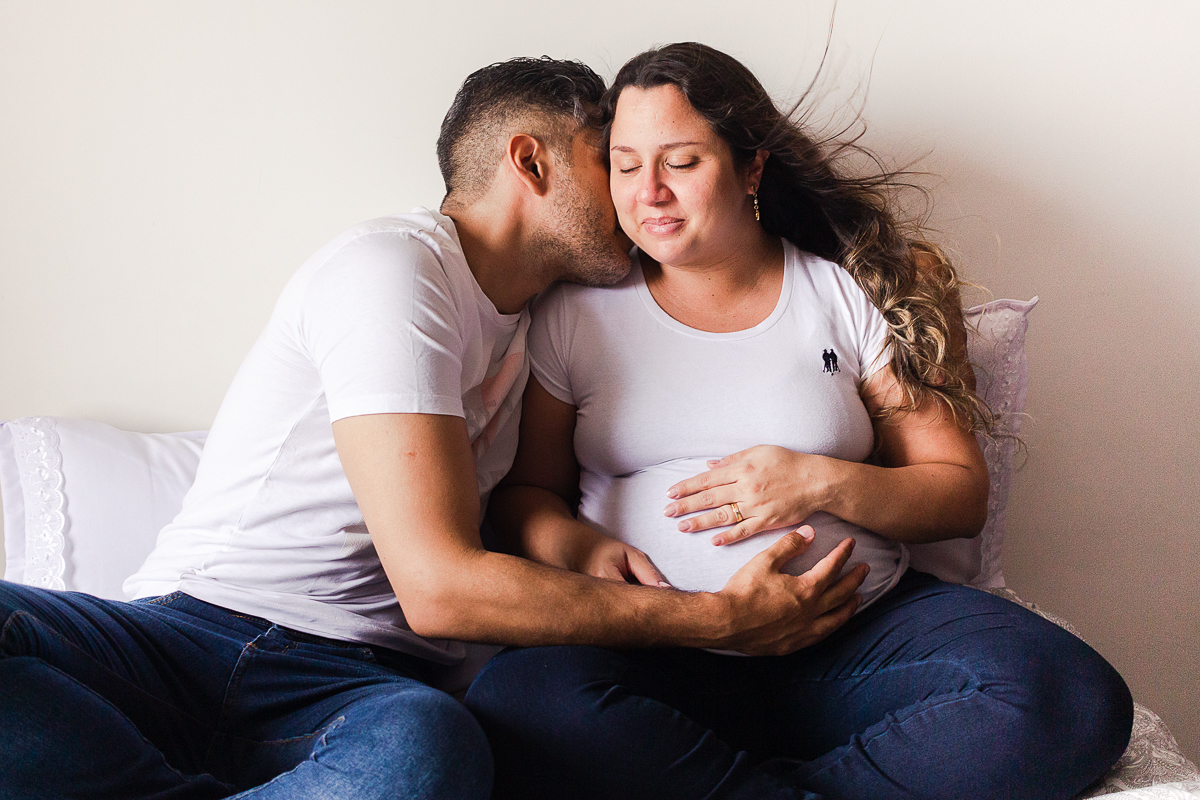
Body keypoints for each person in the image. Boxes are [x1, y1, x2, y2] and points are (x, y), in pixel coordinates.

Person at [0, 56, 868, 799]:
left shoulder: (545, 324)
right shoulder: (393, 269)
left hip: (353, 693)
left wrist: (570, 540)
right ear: (531, 162)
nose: (638, 194)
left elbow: (511, 510)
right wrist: (713, 620)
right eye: (610, 160)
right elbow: (440, 585)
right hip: (186, 635)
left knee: (434, 750)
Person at [465, 43, 1135, 800]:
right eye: (625, 164)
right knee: (515, 704)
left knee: (1070, 699)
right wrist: (579, 545)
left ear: (751, 168)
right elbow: (524, 499)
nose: (648, 192)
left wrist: (820, 480)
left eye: (680, 162)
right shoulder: (573, 314)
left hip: (852, 641)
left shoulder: (841, 294)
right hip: (661, 649)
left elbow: (957, 493)